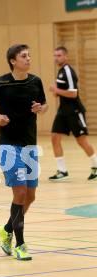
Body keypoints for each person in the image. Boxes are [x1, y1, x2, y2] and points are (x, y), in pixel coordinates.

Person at [0, 44, 48, 261]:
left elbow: (44, 105)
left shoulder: (35, 81)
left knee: (30, 196)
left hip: (30, 144)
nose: (28, 59)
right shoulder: (0, 82)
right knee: (19, 193)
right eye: (23, 56)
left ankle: (7, 229)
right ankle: (20, 244)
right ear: (13, 60)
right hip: (9, 144)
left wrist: (41, 108)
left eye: (29, 55)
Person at [48, 46, 97, 181]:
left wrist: (56, 90)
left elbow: (73, 93)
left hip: (74, 110)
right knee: (54, 137)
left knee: (81, 141)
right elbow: (64, 92)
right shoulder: (61, 72)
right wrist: (57, 93)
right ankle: (62, 170)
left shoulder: (69, 71)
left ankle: (96, 166)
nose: (56, 58)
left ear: (65, 56)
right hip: (63, 110)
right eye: (55, 55)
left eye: (59, 55)